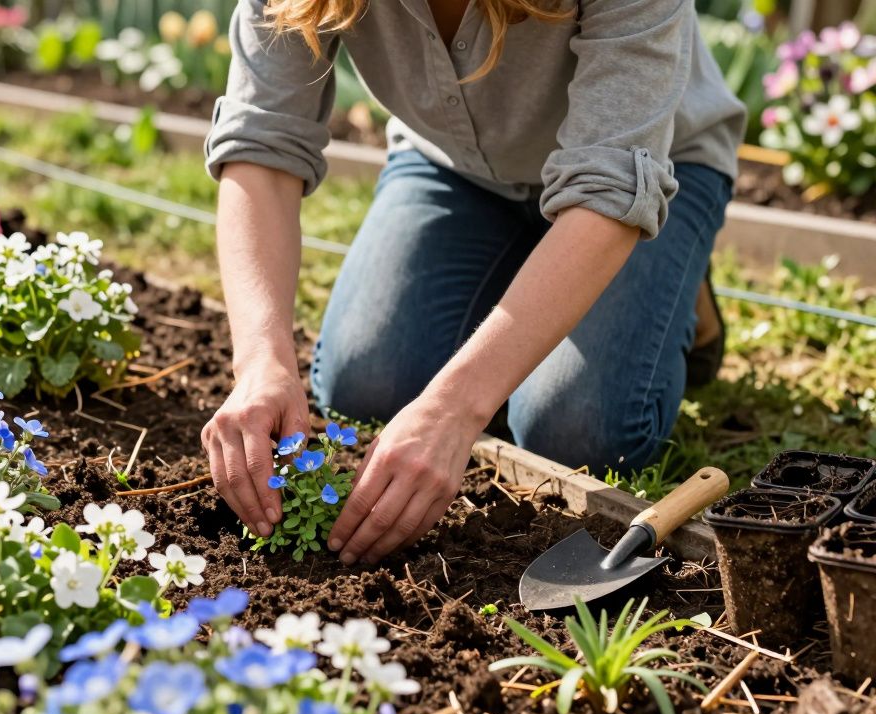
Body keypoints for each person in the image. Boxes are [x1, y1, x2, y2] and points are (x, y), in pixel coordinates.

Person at [199, 0, 746, 566]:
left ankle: (663, 271)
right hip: (456, 166)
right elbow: (261, 142)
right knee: (368, 384)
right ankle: (540, 274)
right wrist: (260, 363)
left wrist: (453, 410)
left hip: (644, 169)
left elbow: (609, 188)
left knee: (575, 431)